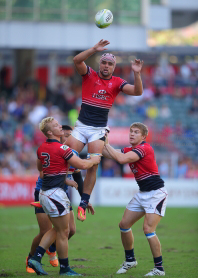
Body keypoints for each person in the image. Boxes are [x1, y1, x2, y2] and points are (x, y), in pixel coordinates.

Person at [66, 39, 144, 221]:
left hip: (98, 130)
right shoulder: (89, 75)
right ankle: (51, 190)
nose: (106, 65)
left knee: (93, 165)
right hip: (81, 126)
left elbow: (138, 92)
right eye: (104, 62)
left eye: (110, 63)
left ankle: (83, 203)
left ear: (114, 67)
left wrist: (137, 74)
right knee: (67, 156)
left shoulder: (117, 82)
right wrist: (94, 49)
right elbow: (77, 60)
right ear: (99, 64)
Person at [28, 117, 101, 276]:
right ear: (49, 132)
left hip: (46, 192)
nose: (59, 126)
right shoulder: (62, 148)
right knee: (63, 232)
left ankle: (36, 258)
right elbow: (82, 165)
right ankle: (64, 268)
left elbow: (40, 167)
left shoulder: (41, 148)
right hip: (55, 194)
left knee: (59, 229)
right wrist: (94, 159)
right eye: (55, 125)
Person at [103, 122, 168, 276]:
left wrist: (106, 143)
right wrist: (97, 142)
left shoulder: (144, 148)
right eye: (131, 131)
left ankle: (159, 269)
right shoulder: (130, 150)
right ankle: (130, 260)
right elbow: (109, 153)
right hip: (143, 193)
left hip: (155, 193)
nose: (132, 134)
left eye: (136, 132)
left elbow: (121, 159)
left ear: (143, 136)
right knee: (124, 225)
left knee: (148, 229)